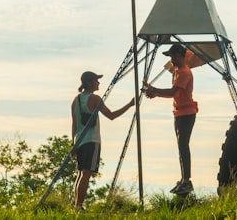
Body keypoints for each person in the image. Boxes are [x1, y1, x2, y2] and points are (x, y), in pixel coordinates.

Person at [71, 71, 135, 210]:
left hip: (79, 141)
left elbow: (74, 125)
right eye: (96, 80)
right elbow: (111, 115)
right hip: (91, 141)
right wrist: (129, 105)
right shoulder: (95, 98)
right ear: (89, 83)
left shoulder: (76, 100)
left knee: (81, 173)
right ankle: (79, 206)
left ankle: (76, 205)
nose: (98, 83)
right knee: (86, 173)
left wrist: (73, 145)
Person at [145, 43, 198, 195]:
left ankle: (186, 180)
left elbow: (174, 92)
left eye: (173, 55)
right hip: (180, 112)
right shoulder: (177, 71)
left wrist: (154, 91)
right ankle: (184, 179)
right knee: (181, 146)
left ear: (180, 55)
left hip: (186, 113)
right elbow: (173, 93)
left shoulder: (184, 72)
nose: (171, 58)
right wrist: (155, 93)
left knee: (183, 145)